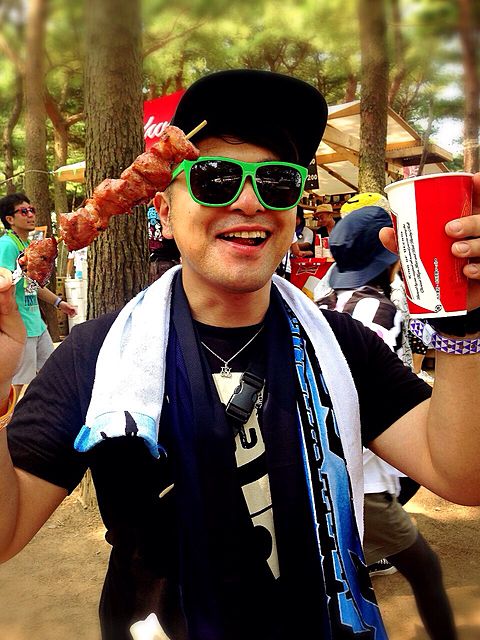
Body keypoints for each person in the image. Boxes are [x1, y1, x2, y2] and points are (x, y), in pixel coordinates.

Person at [1, 70, 480, 640]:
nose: (250, 202)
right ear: (164, 208)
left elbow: (461, 475)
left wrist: (466, 320)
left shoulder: (345, 344)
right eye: (215, 178)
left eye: (277, 182)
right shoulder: (97, 357)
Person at [317, 206, 457, 640]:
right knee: (424, 567)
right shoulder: (381, 311)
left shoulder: (322, 303)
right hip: (361, 470)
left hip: (328, 461)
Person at [0, 193, 77, 400]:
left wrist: (59, 302)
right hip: (20, 327)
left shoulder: (27, 246)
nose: (31, 215)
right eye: (24, 211)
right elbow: (4, 280)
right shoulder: (7, 245)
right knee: (17, 384)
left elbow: (33, 284)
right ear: (10, 219)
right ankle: (11, 419)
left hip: (36, 324)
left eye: (32, 210)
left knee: (51, 371)